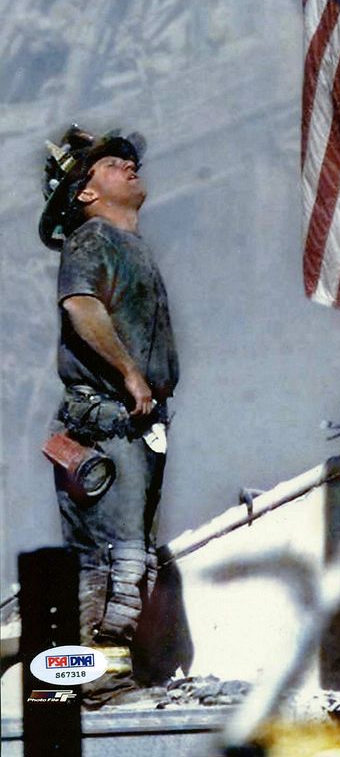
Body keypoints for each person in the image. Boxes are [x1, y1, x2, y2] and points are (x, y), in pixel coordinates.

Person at [39, 126, 179, 704]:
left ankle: (108, 679)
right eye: (109, 164)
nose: (127, 165)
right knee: (108, 564)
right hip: (108, 423)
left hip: (135, 426)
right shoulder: (92, 238)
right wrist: (128, 372)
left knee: (131, 562)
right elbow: (81, 305)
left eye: (127, 160)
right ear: (85, 193)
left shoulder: (130, 245)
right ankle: (87, 689)